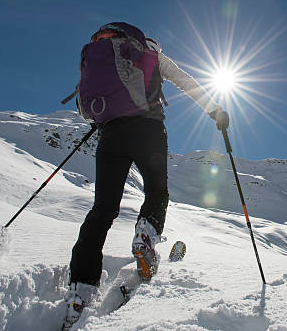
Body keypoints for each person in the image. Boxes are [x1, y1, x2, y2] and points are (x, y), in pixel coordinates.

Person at [62, 22, 229, 329]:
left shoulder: (101, 55)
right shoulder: (151, 54)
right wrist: (215, 111)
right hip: (149, 131)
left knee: (103, 210)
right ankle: (145, 238)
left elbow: (86, 109)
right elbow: (185, 81)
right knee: (156, 191)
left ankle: (80, 290)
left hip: (110, 137)